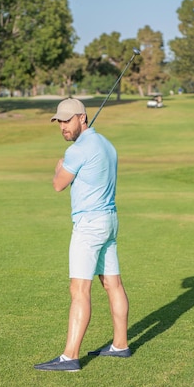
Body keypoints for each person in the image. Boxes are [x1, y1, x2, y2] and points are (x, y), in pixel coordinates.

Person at [34, 98, 131, 372]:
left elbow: (58, 185)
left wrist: (59, 165)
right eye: (60, 122)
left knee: (79, 289)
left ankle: (70, 356)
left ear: (82, 118)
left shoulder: (78, 150)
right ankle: (120, 345)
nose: (63, 126)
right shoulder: (107, 145)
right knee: (112, 284)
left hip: (89, 225)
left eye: (67, 120)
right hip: (109, 221)